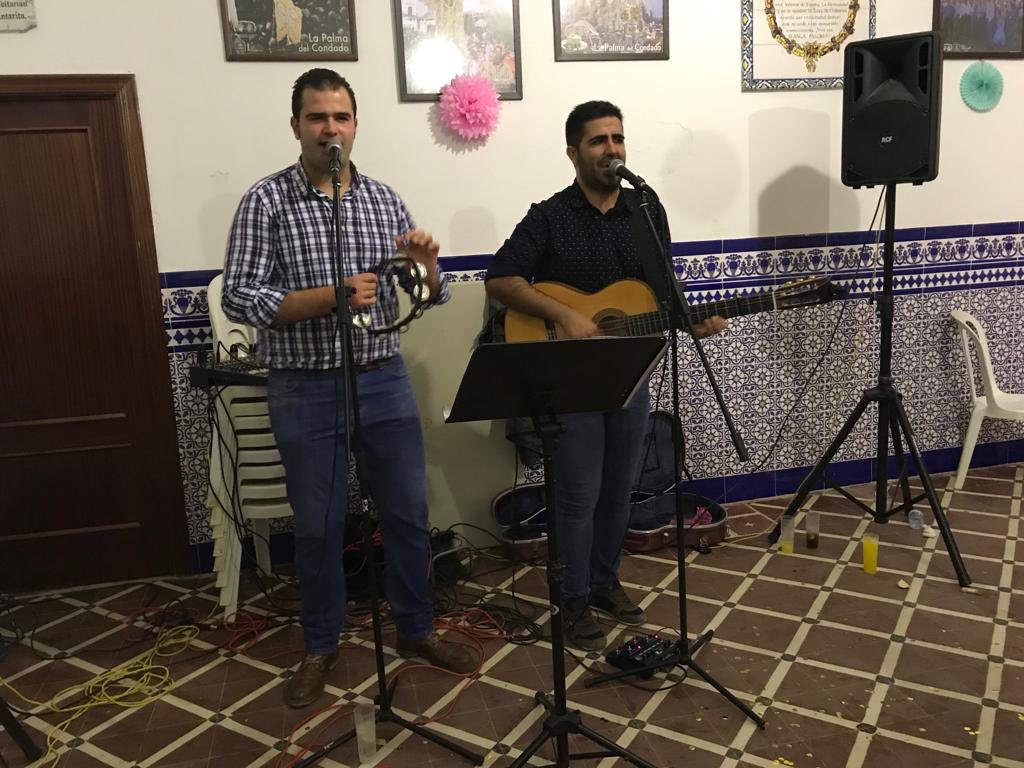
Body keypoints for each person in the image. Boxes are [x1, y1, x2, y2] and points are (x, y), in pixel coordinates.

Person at [222, 68, 474, 709]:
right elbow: (240, 296)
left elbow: (422, 298)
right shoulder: (266, 201)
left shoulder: (385, 201)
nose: (329, 129)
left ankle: (417, 630)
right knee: (317, 528)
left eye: (340, 117)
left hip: (382, 379)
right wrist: (330, 298)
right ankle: (320, 644)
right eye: (316, 117)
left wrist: (427, 270)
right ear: (297, 126)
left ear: (355, 124)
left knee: (409, 518)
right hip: (304, 387)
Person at [484, 100, 727, 651]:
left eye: (617, 138)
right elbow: (500, 278)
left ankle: (603, 582)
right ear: (573, 153)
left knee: (619, 490)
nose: (611, 149)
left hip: (630, 374)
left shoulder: (646, 211)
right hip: (570, 379)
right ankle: (570, 600)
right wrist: (565, 314)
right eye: (597, 141)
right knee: (578, 493)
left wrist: (693, 321)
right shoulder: (549, 217)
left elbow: (661, 293)